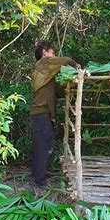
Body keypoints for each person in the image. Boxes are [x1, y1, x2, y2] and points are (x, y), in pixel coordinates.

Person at [31, 41, 80, 189]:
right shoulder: (44, 63)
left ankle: (39, 175)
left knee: (42, 144)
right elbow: (65, 60)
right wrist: (77, 66)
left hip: (43, 113)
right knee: (45, 144)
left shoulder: (46, 72)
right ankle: (39, 181)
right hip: (41, 112)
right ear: (44, 52)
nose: (54, 55)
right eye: (52, 52)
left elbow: (57, 92)